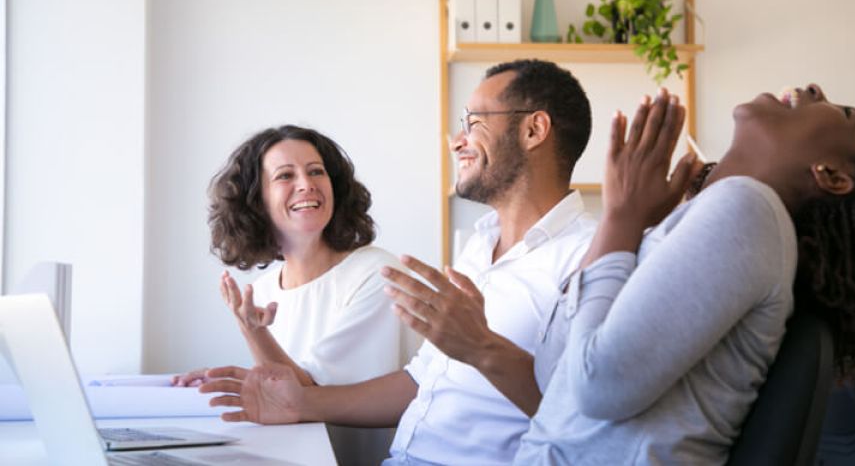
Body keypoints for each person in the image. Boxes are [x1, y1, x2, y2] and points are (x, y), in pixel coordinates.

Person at [509, 84, 855, 464]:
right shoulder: (711, 222)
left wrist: (620, 219)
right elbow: (554, 375)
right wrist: (631, 224)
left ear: (832, 175)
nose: (813, 89)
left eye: (844, 113)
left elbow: (597, 386)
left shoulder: (748, 209)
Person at [199, 59, 599, 465]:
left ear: (533, 130)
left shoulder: (589, 259)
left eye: (474, 123)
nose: (457, 142)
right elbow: (419, 381)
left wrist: (481, 347)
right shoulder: (480, 246)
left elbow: (588, 419)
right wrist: (299, 404)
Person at [173, 125, 421, 464]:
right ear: (257, 202)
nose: (306, 184)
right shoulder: (264, 290)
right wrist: (221, 381)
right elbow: (279, 393)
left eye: (316, 171)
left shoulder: (377, 274)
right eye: (285, 175)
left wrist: (253, 332)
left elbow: (305, 396)